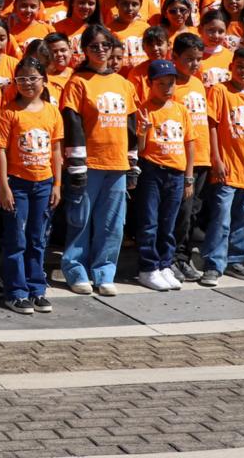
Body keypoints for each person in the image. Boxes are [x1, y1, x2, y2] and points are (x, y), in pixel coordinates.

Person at [58, 24, 137, 296]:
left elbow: (131, 126)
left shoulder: (124, 84)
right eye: (94, 46)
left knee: (112, 224)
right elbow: (72, 124)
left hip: (117, 164)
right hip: (89, 164)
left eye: (106, 45)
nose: (101, 50)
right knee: (81, 219)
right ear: (84, 50)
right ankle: (75, 269)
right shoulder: (78, 82)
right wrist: (76, 164)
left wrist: (133, 163)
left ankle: (104, 272)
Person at [0, 58, 63, 314]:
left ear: (44, 80)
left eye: (33, 78)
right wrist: (4, 187)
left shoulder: (52, 112)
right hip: (18, 183)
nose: (28, 83)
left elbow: (56, 150)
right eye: (21, 79)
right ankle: (16, 291)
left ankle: (37, 288)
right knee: (16, 238)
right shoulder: (9, 112)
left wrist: (57, 184)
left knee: (37, 238)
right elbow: (0, 150)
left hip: (44, 183)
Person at [199, 47, 244, 286]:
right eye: (240, 66)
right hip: (227, 170)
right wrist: (216, 159)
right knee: (221, 218)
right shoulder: (220, 91)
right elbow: (211, 125)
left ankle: (236, 260)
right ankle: (213, 264)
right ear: (231, 67)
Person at [131, 59, 195, 291]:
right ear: (150, 84)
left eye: (171, 83)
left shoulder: (181, 110)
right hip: (152, 171)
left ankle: (165, 264)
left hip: (176, 173)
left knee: (169, 223)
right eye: (161, 83)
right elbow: (140, 150)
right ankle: (148, 268)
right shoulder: (144, 110)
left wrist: (189, 176)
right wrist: (142, 132)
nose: (167, 88)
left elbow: (189, 143)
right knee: (150, 222)